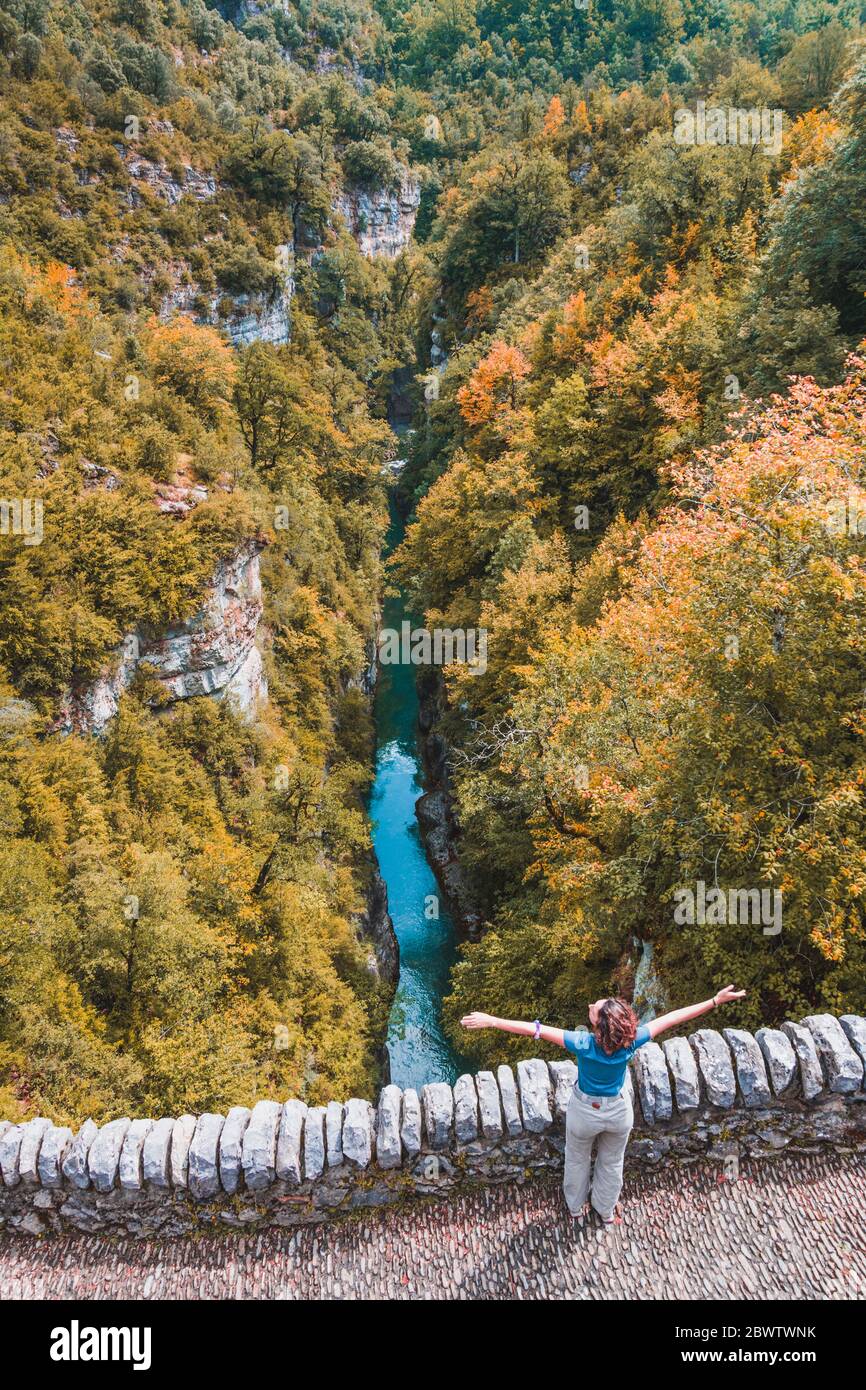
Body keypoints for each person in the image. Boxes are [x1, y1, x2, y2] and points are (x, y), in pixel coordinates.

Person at [461, 984, 746, 1225]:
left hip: (585, 1112)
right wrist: (713, 1001)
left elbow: (535, 1029)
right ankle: (605, 1211)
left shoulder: (583, 1043)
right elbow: (672, 1018)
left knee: (577, 1159)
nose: (591, 1005)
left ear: (599, 1024)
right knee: (612, 1162)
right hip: (618, 1112)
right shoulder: (630, 1041)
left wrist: (493, 1020)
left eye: (594, 1009)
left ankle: (575, 1208)